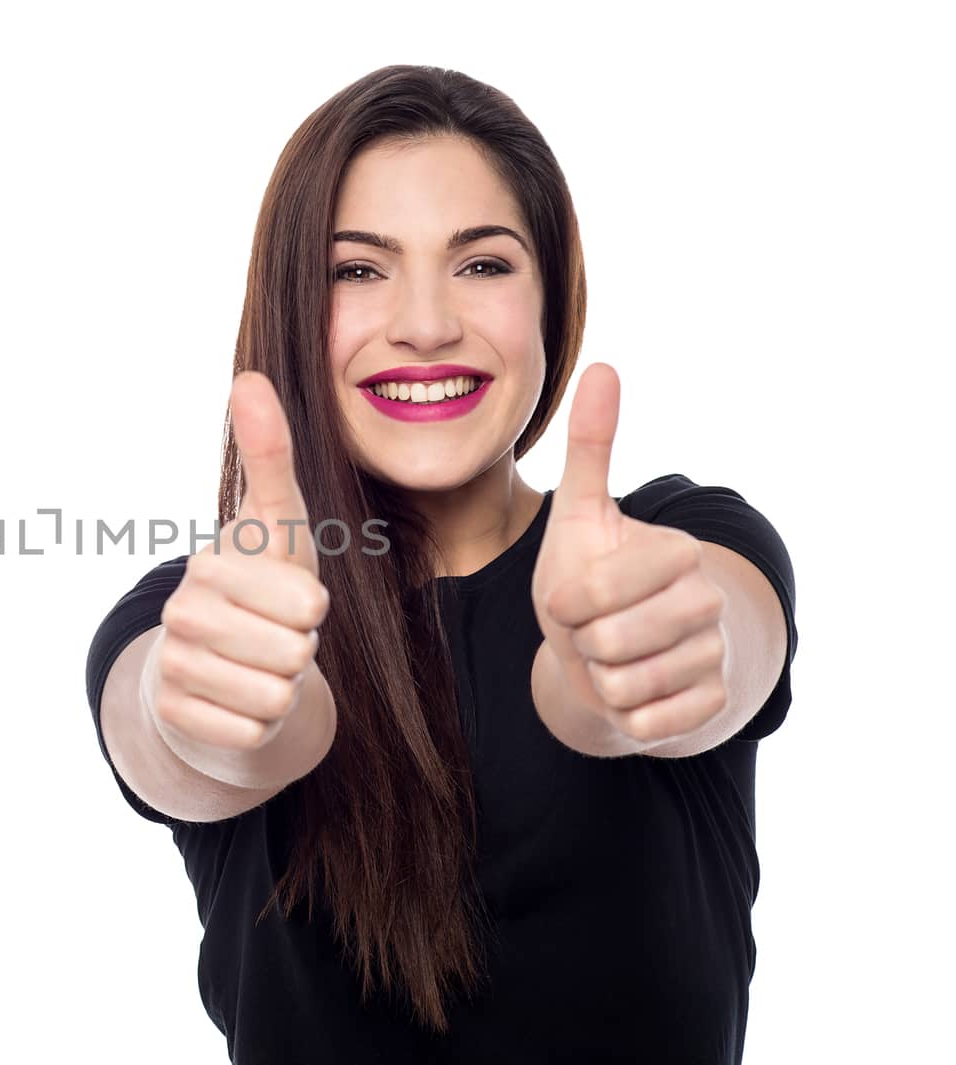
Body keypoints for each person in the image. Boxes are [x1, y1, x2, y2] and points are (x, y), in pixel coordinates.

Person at [83, 65, 798, 1065]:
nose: (424, 322)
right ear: (293, 306)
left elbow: (723, 642)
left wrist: (643, 659)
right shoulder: (205, 611)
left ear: (551, 299)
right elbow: (179, 734)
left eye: (482, 265)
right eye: (358, 270)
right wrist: (202, 703)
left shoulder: (685, 540)